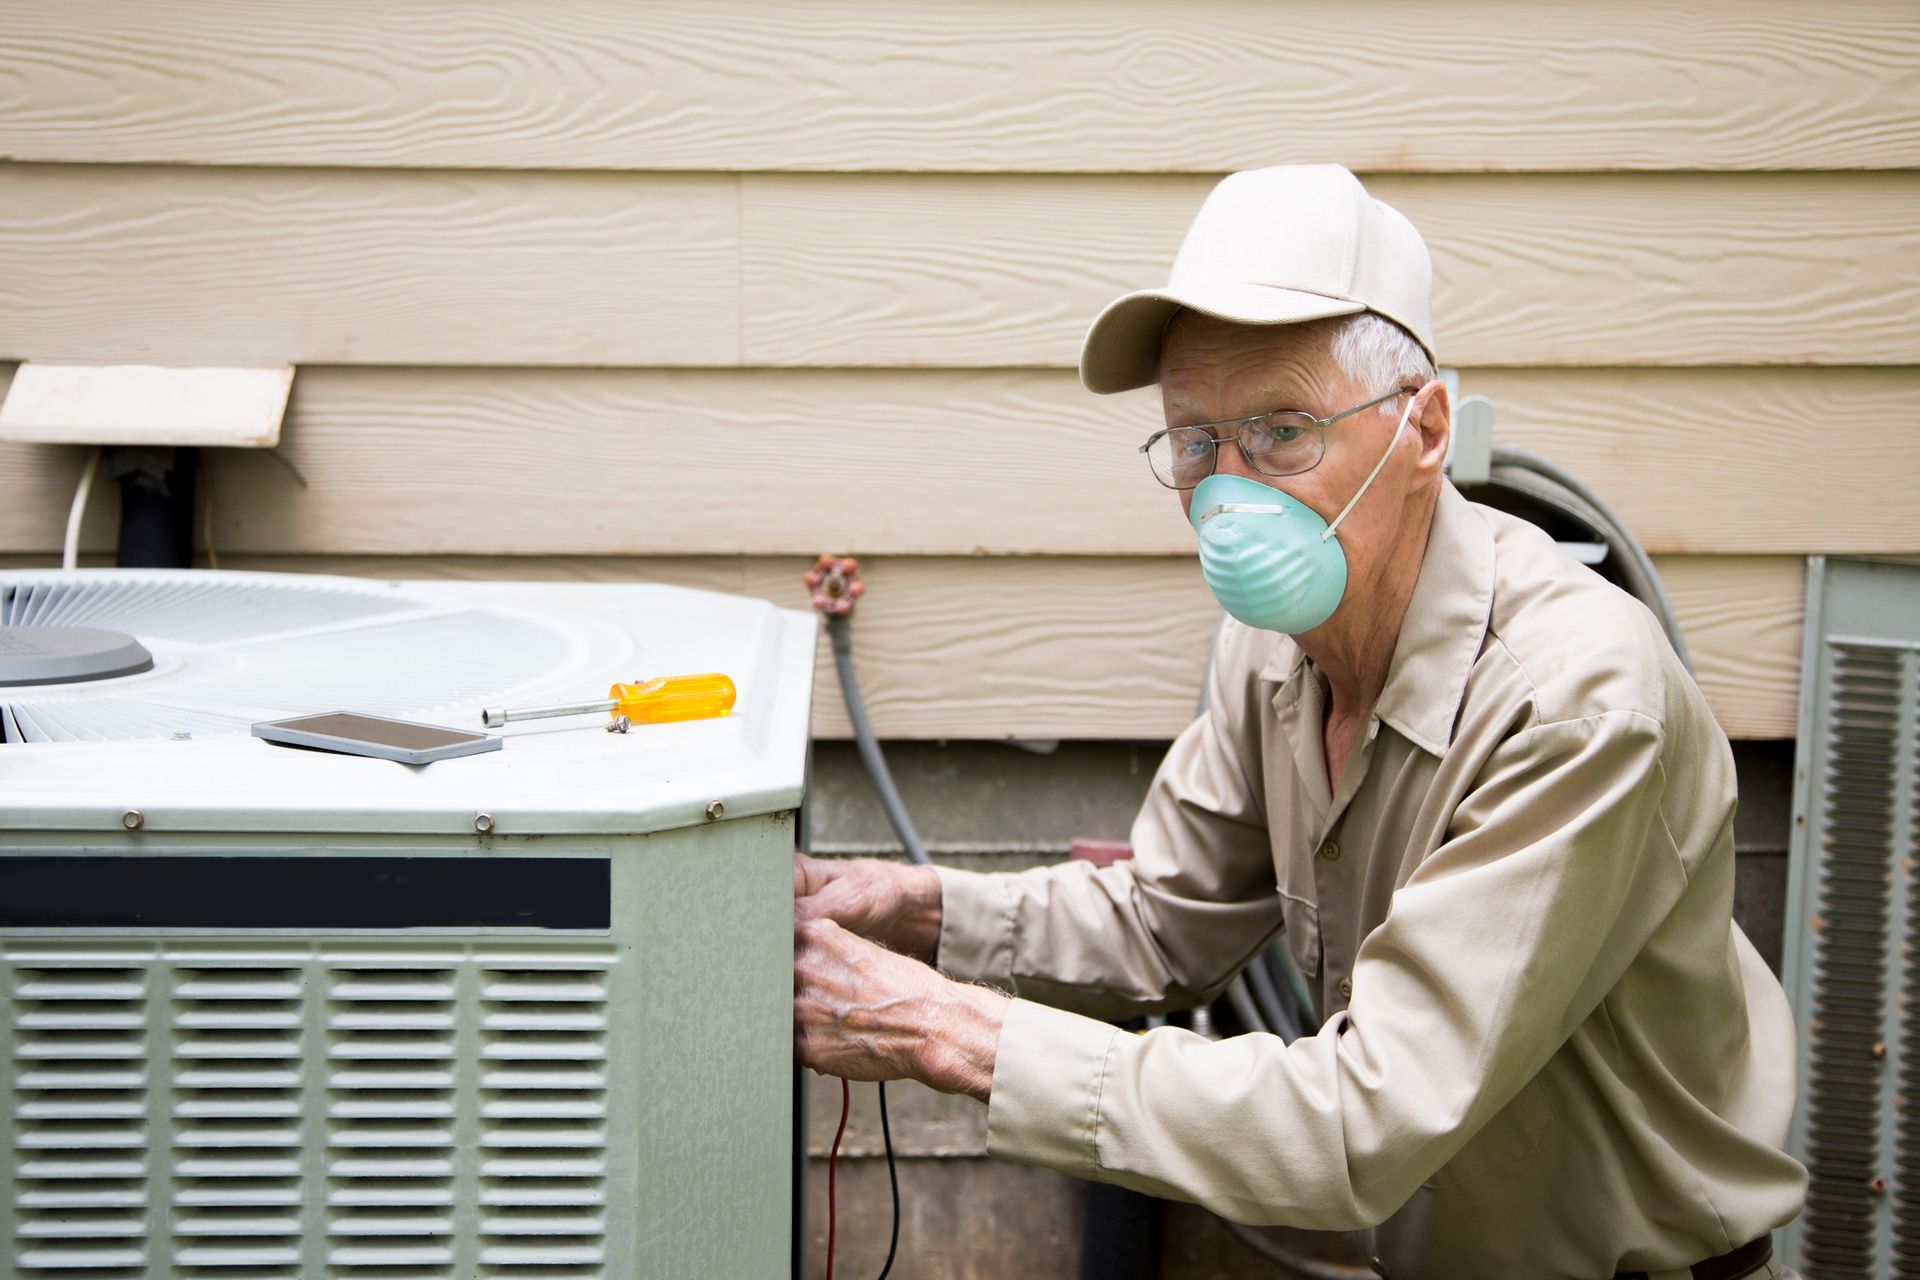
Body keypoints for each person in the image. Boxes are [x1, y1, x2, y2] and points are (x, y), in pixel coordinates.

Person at [792, 164, 1807, 1280]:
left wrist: (945, 1027)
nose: (1232, 494)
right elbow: (1163, 919)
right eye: (1195, 441)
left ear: (1425, 428)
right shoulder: (1274, 644)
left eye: (1284, 430)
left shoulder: (1573, 700)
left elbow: (1366, 1121)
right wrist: (919, 908)